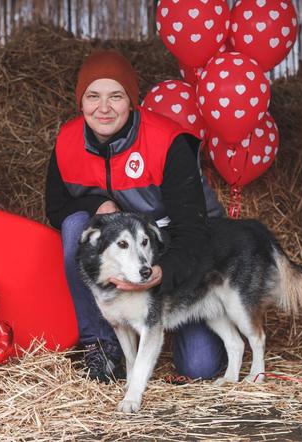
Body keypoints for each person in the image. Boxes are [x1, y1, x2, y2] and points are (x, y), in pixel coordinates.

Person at [45, 49, 226, 383]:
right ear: (80, 101)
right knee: (75, 227)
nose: (103, 108)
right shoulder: (67, 142)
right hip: (125, 250)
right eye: (93, 96)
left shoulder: (168, 141)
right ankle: (101, 345)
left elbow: (194, 231)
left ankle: (166, 322)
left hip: (177, 248)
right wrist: (96, 204)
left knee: (199, 367)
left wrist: (162, 272)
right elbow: (55, 211)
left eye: (116, 96)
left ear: (132, 100)